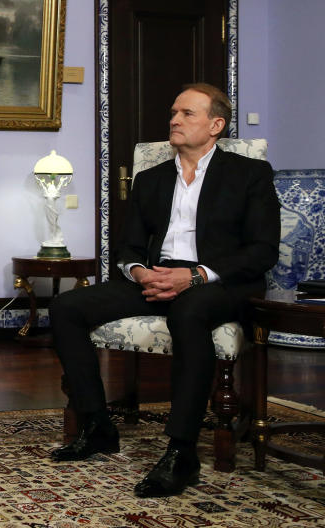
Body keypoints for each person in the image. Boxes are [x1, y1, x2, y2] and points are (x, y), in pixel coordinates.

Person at [49, 83, 280, 497]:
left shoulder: (249, 175)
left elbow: (262, 250)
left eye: (187, 114)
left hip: (221, 281)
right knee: (66, 307)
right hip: (158, 275)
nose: (174, 120)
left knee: (188, 312)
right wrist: (140, 273)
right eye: (173, 112)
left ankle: (181, 451)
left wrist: (194, 276)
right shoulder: (151, 178)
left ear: (216, 125)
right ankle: (97, 424)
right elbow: (129, 247)